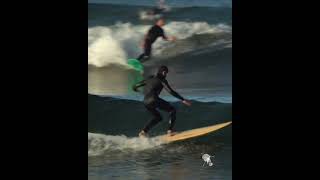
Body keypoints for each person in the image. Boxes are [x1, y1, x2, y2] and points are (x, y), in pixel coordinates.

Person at [132, 65, 192, 137]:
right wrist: (183, 99)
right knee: (172, 110)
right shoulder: (162, 80)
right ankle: (170, 131)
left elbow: (135, 86)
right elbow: (170, 91)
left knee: (158, 118)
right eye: (165, 73)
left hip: (145, 102)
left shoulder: (149, 78)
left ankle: (143, 132)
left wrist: (136, 90)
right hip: (154, 99)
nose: (166, 74)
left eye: (166, 73)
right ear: (162, 72)